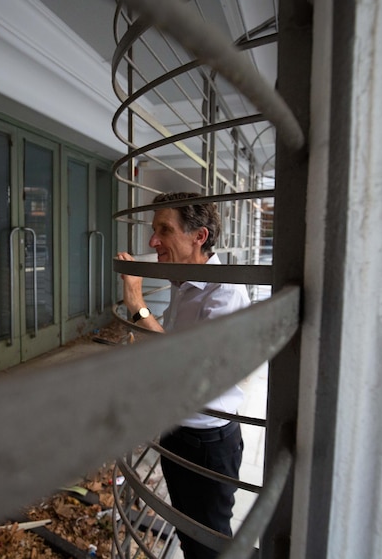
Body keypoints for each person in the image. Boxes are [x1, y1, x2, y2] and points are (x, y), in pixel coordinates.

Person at [117, 192, 250, 559]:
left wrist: (136, 304)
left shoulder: (224, 292)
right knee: (187, 532)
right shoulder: (186, 281)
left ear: (199, 236)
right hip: (180, 429)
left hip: (207, 442)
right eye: (153, 229)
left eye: (164, 230)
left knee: (206, 542)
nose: (152, 241)